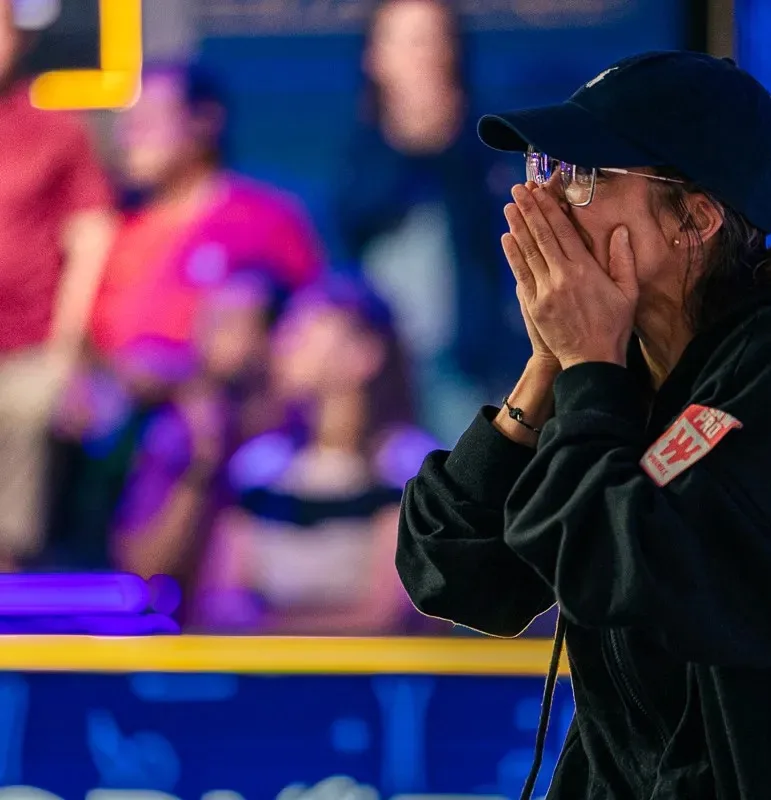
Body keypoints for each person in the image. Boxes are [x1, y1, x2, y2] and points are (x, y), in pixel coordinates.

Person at [396, 51, 771, 799]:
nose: (542, 195)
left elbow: (631, 568)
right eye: (547, 166)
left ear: (695, 219)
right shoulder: (617, 366)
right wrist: (547, 368)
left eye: (584, 174)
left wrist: (588, 368)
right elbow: (453, 574)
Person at [195, 276, 439, 635]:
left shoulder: (408, 466)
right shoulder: (259, 466)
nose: (282, 343)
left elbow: (389, 613)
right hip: (265, 668)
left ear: (364, 355)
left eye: (303, 328)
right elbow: (219, 603)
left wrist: (269, 632)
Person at [334, 0, 526, 447]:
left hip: (468, 365)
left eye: (433, 40)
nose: (422, 56)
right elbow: (351, 227)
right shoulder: (361, 153)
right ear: (374, 57)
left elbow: (498, 239)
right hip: (377, 363)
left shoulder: (488, 144)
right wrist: (409, 142)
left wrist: (448, 141)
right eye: (407, 42)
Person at [88, 61, 324, 359]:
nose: (130, 140)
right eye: (127, 126)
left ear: (204, 121)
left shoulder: (263, 222)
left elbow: (304, 327)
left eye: (147, 123)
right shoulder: (112, 227)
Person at [0, 0, 116, 568]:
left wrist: (66, 354)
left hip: (30, 348)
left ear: (19, 39)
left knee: (27, 409)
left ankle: (9, 570)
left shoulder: (56, 131)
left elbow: (91, 239)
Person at [108, 270, 290, 624]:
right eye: (205, 323)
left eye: (227, 324)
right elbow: (143, 568)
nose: (204, 339)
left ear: (272, 339)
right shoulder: (182, 432)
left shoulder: (302, 431)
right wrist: (200, 467)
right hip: (194, 635)